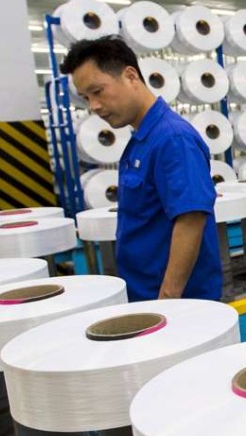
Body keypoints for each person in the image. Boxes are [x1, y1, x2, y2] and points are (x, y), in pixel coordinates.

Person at [61, 36, 222, 301]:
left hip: (175, 306)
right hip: (145, 296)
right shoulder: (142, 139)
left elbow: (191, 220)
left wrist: (167, 301)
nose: (94, 106)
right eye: (86, 97)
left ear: (130, 76)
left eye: (98, 91)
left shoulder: (172, 138)